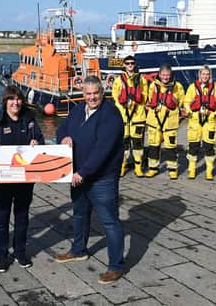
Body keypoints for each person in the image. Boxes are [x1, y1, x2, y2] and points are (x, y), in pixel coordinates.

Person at [55, 76, 125, 285]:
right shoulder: (78, 110)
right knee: (80, 214)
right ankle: (78, 250)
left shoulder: (110, 114)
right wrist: (63, 138)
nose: (92, 97)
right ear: (83, 94)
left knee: (110, 222)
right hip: (78, 176)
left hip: (100, 178)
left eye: (96, 93)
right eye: (88, 93)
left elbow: (102, 150)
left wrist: (83, 172)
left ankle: (115, 266)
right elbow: (62, 127)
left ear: (102, 93)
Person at [0, 85, 44, 272]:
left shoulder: (30, 120)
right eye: (11, 99)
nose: (15, 102)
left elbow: (41, 142)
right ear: (5, 102)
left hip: (25, 179)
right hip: (1, 180)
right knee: (1, 217)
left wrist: (37, 143)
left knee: (22, 216)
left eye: (18, 99)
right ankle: (1, 255)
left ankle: (20, 251)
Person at [183, 66, 216, 180]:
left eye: (207, 74)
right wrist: (190, 112)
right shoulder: (192, 87)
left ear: (210, 76)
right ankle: (192, 169)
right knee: (193, 146)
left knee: (209, 146)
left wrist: (215, 113)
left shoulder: (215, 88)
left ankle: (209, 170)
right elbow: (186, 102)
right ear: (199, 75)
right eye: (203, 74)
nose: (205, 76)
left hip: (209, 120)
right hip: (195, 120)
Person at [145, 65, 185, 179]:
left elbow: (182, 102)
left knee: (171, 147)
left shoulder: (178, 87)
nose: (165, 77)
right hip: (155, 121)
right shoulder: (153, 86)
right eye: (163, 75)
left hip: (170, 122)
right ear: (159, 74)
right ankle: (153, 168)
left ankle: (172, 169)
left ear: (170, 75)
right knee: (153, 145)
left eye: (167, 75)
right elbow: (149, 100)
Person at [111, 55, 149, 177]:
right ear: (124, 65)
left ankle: (138, 167)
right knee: (124, 143)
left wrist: (135, 102)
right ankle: (122, 166)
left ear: (135, 64)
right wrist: (124, 105)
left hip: (138, 116)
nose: (130, 65)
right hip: (123, 117)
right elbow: (115, 97)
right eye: (127, 63)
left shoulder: (142, 80)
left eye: (132, 63)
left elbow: (145, 96)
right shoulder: (118, 81)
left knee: (138, 144)